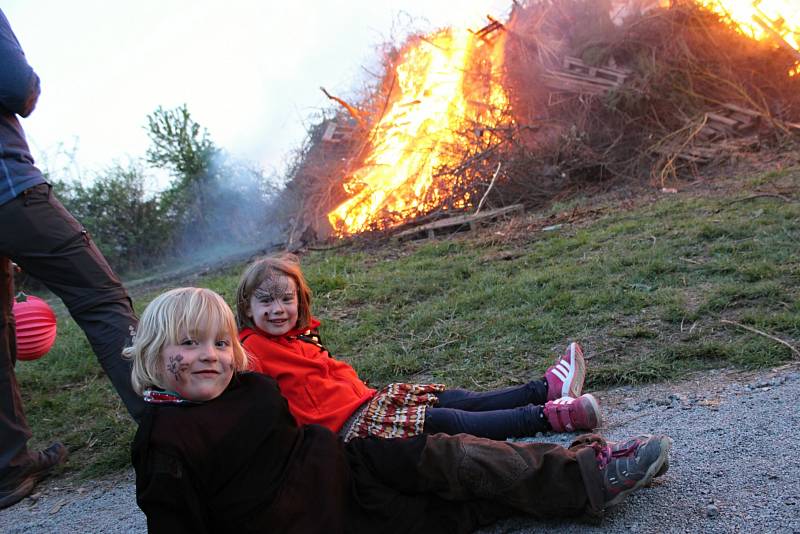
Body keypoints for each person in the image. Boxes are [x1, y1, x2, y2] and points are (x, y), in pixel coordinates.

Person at [129, 287, 672, 533]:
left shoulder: (250, 388)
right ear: (155, 354)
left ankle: (588, 474)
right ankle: (546, 487)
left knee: (453, 457)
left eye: (220, 344)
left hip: (352, 466)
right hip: (324, 520)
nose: (209, 356)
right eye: (189, 344)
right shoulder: (167, 442)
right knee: (453, 511)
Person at [0, 8, 145, 510]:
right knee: (100, 298)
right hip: (11, 195)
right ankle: (169, 427)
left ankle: (9, 469)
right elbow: (18, 87)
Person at [236, 253, 601, 442]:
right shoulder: (250, 349)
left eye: (287, 299)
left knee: (458, 398)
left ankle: (544, 390)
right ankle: (550, 417)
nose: (278, 309)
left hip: (370, 402)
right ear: (247, 307)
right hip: (352, 425)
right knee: (451, 421)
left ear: (300, 301)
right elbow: (233, 376)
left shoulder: (298, 339)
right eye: (265, 302)